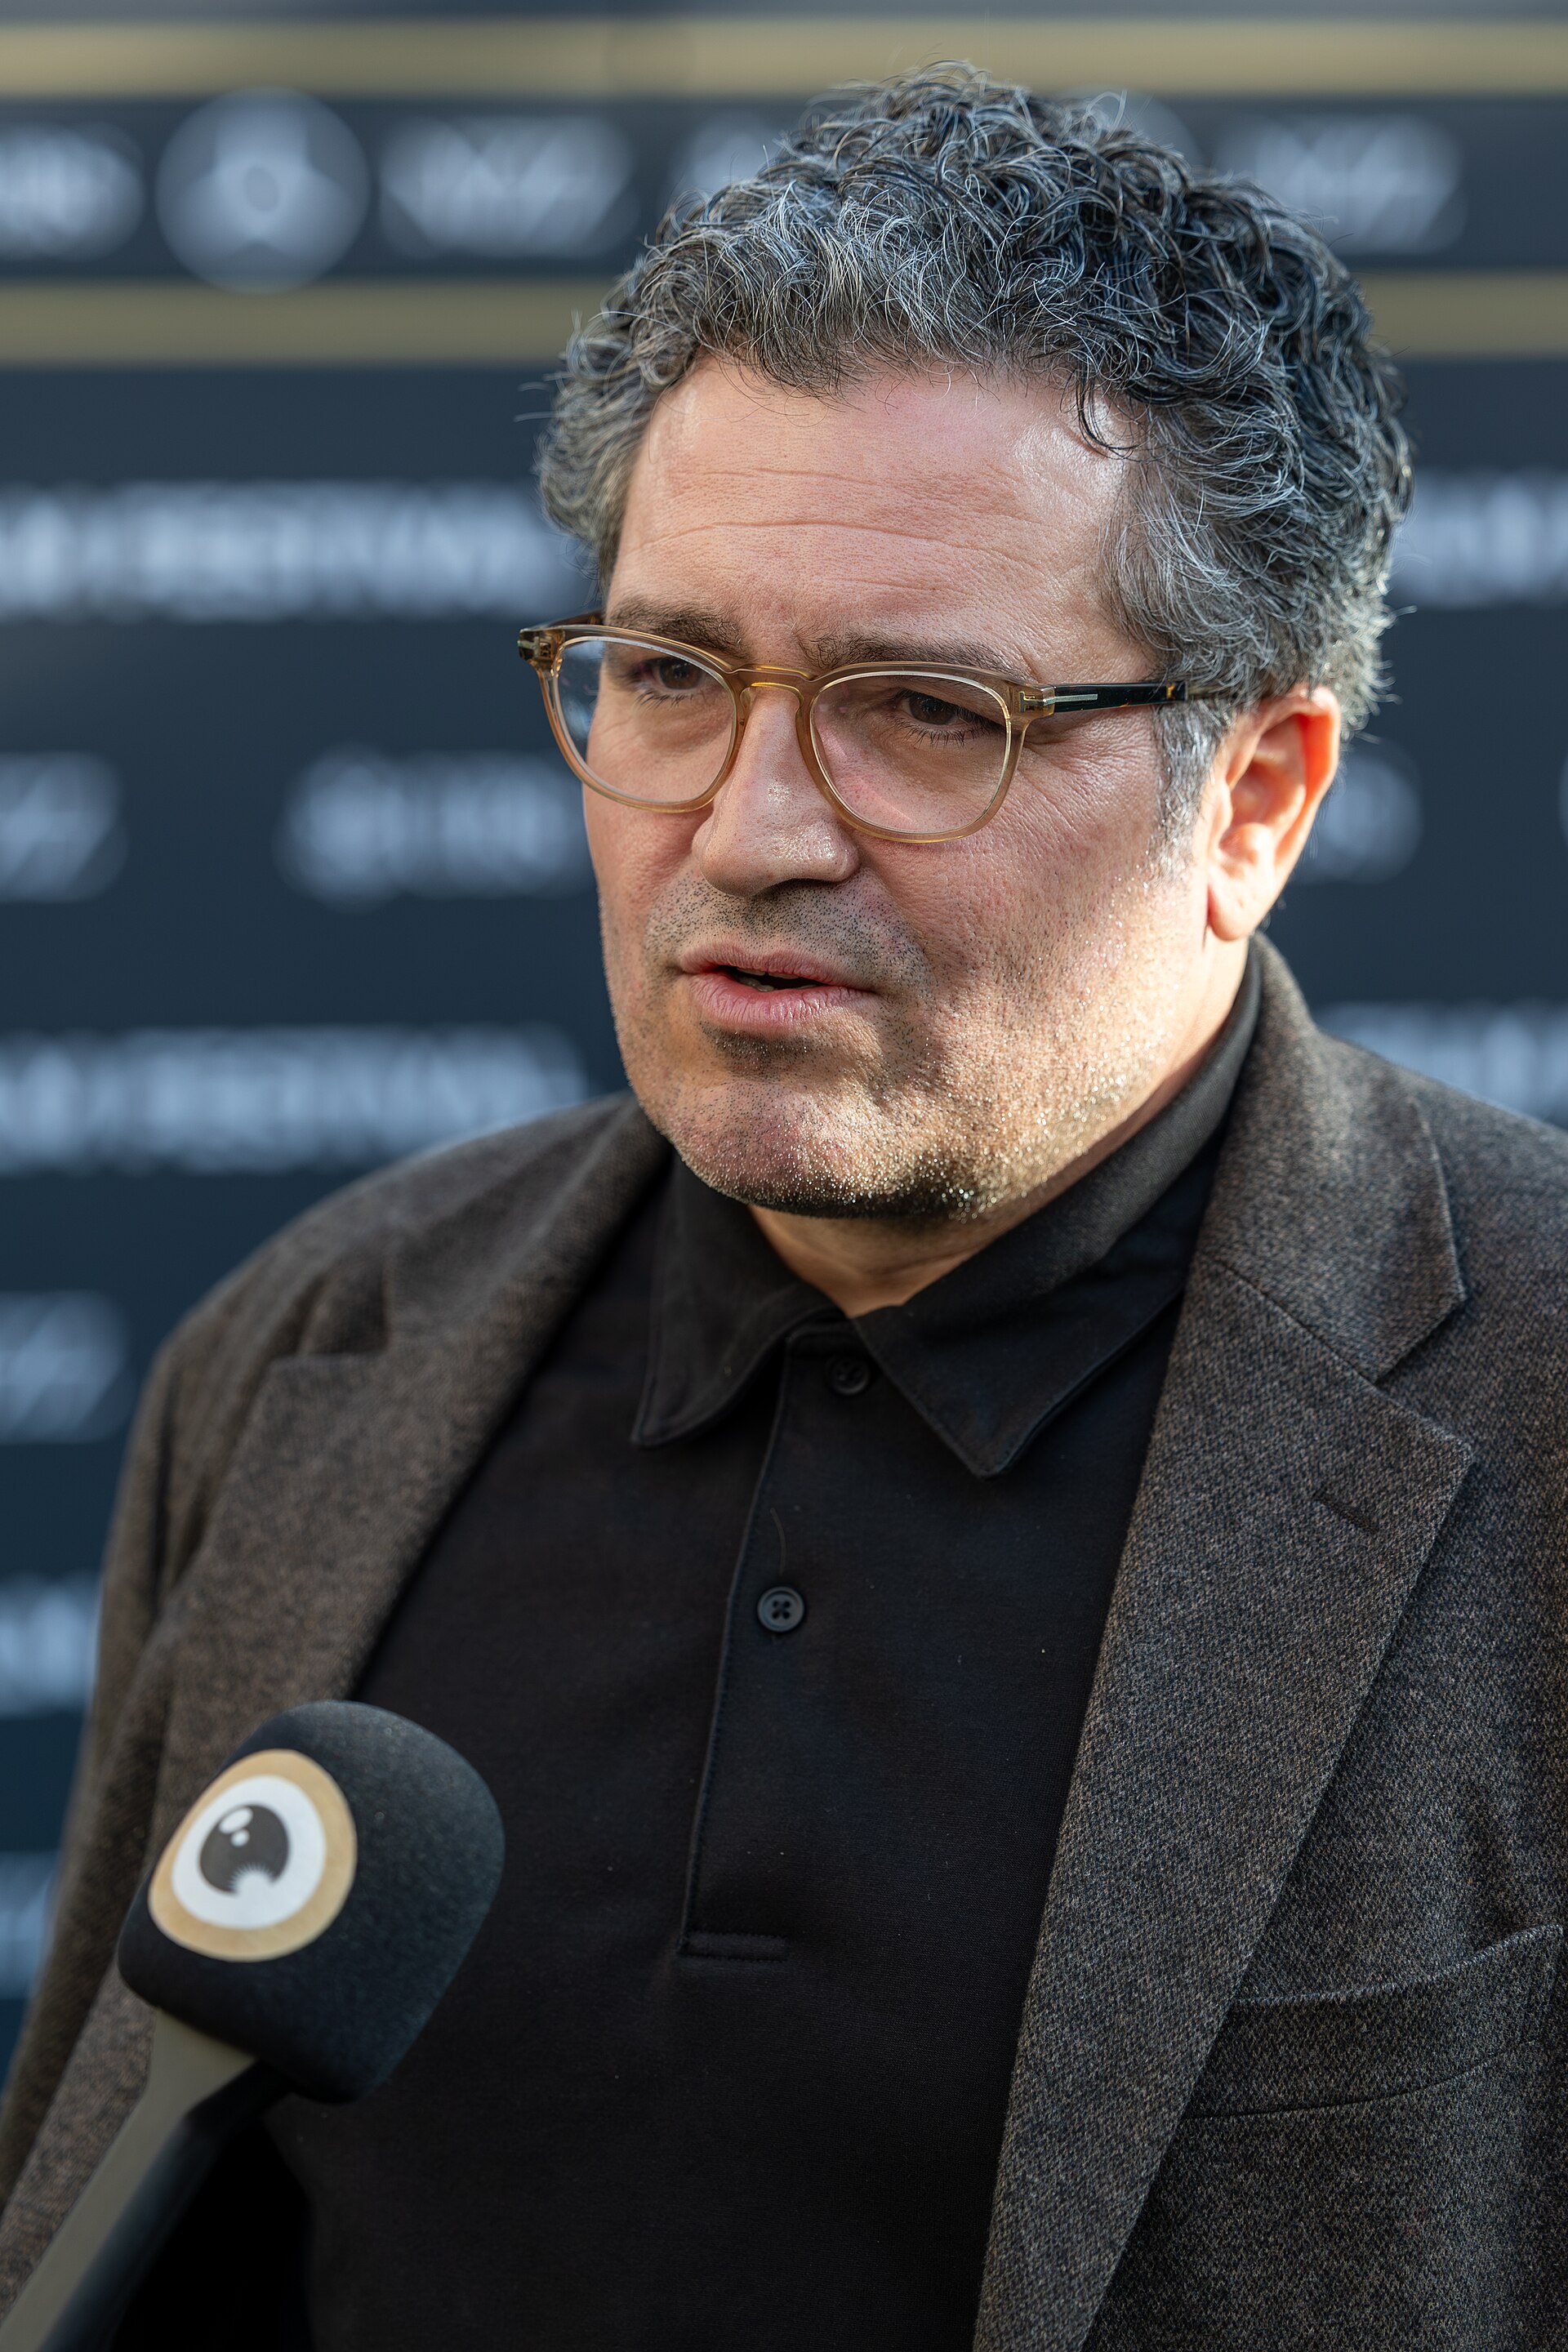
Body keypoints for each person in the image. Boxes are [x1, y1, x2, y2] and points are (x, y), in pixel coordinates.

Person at [2, 67, 1566, 2352]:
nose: (751, 830)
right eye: (669, 676)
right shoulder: (312, 1354)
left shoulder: (1531, 1395)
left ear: (1257, 792)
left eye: (922, 714)